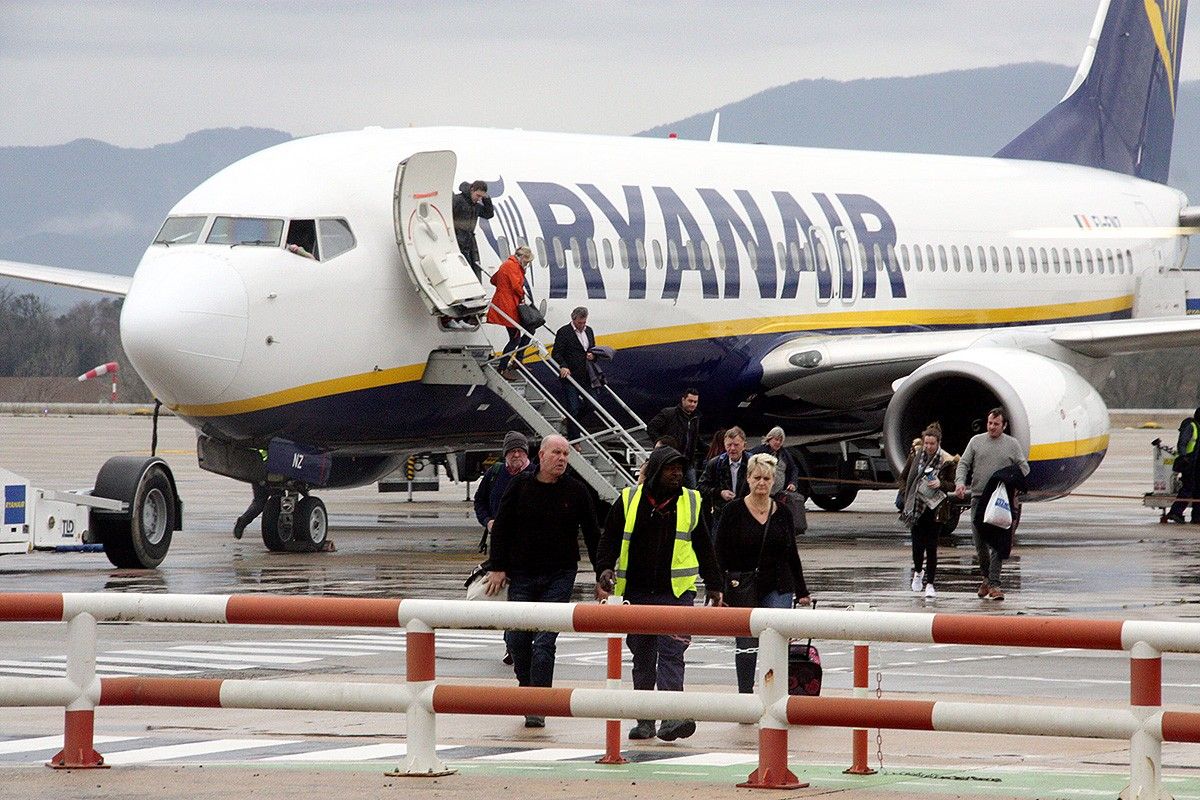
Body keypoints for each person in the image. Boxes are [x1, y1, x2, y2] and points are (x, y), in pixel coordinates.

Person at [594, 446, 723, 743]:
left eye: (680, 468)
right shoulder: (629, 500)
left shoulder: (691, 501)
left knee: (672, 654)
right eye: (670, 468)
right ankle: (645, 721)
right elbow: (609, 539)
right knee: (643, 656)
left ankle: (672, 718)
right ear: (655, 471)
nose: (677, 473)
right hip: (636, 594)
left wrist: (715, 585)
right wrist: (603, 569)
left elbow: (704, 545)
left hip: (675, 594)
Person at [485, 434, 600, 728]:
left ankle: (539, 705)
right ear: (542, 456)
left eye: (565, 454)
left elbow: (592, 534)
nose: (562, 459)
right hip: (522, 574)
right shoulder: (520, 486)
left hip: (559, 575)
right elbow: (502, 528)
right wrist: (497, 567)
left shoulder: (576, 491)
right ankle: (529, 690)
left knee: (544, 642)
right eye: (556, 453)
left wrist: (602, 574)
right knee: (518, 639)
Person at [715, 453, 810, 694]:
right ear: (747, 478)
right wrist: (718, 588)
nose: (762, 483)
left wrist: (802, 590)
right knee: (746, 644)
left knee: (777, 641)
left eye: (767, 478)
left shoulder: (784, 513)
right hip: (743, 585)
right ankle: (745, 695)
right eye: (757, 477)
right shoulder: (732, 511)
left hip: (778, 584)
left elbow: (791, 553)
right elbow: (719, 552)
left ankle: (775, 695)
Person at [955, 408, 1030, 601]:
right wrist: (960, 482)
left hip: (1001, 500)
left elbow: (1024, 468)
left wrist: (1008, 477)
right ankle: (986, 578)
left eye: (996, 424)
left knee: (999, 543)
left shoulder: (1012, 445)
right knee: (980, 543)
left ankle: (994, 584)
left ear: (1004, 425)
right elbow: (963, 463)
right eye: (990, 423)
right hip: (979, 498)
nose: (992, 427)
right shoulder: (976, 441)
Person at [898, 423, 955, 598]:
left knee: (931, 547)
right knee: (917, 546)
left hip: (934, 508)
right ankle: (918, 572)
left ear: (938, 443)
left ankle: (930, 583)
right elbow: (904, 477)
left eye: (932, 444)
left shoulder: (947, 461)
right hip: (916, 507)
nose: (929, 447)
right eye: (927, 443)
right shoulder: (916, 455)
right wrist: (906, 494)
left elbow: (952, 484)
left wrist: (941, 484)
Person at [473, 431, 535, 553]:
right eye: (512, 451)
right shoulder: (494, 472)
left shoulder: (537, 473)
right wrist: (487, 521)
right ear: (505, 453)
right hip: (500, 544)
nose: (516, 454)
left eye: (520, 450)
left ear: (526, 453)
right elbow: (480, 501)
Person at [486, 245, 533, 378]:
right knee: (515, 338)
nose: (527, 264)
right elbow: (516, 286)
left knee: (529, 329)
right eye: (527, 261)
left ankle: (518, 359)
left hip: (506, 304)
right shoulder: (512, 266)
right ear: (523, 257)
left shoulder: (507, 265)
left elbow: (493, 280)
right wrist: (522, 295)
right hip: (508, 306)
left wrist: (503, 287)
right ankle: (502, 368)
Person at [749, 426, 806, 534]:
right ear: (769, 438)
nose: (778, 443)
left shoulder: (784, 453)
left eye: (780, 440)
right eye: (776, 439)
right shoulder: (759, 451)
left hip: (778, 493)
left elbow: (793, 469)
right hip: (762, 493)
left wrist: (792, 483)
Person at [552, 306, 597, 440]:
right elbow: (556, 353)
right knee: (573, 408)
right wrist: (563, 366)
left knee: (592, 404)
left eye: (584, 322)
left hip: (586, 376)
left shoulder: (589, 331)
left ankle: (571, 421)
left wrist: (593, 356)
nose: (582, 325)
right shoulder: (564, 332)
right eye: (579, 323)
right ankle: (574, 438)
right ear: (573, 319)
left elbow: (593, 349)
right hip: (570, 377)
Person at [646, 389, 702, 486]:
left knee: (692, 493)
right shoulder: (669, 413)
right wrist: (659, 442)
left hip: (688, 463)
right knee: (669, 488)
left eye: (695, 402)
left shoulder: (695, 418)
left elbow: (695, 439)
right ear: (683, 400)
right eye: (690, 401)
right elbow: (651, 427)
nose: (693, 404)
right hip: (670, 461)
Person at [699, 426, 750, 523]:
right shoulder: (715, 463)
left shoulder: (753, 463)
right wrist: (720, 493)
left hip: (746, 513)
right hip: (722, 515)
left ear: (744, 446)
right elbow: (701, 487)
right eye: (729, 445)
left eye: (736, 445)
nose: (732, 448)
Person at [452, 180, 495, 281]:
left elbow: (489, 214)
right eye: (477, 195)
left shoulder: (476, 206)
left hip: (468, 241)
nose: (478, 199)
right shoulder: (458, 200)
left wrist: (486, 200)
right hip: (458, 239)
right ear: (472, 190)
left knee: (472, 269)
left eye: (481, 197)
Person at [1167, 407, 1200, 523]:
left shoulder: (1198, 427)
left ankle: (1197, 517)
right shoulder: (1191, 426)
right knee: (1188, 488)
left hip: (1196, 465)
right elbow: (1182, 442)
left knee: (1197, 490)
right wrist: (1184, 457)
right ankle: (1175, 512)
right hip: (1190, 463)